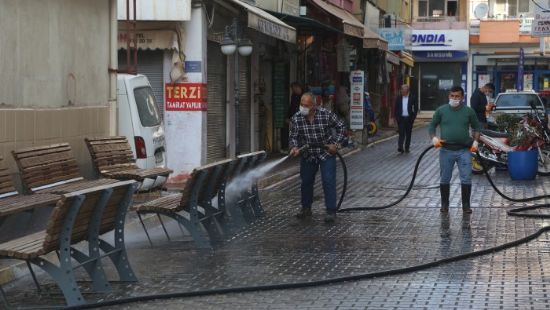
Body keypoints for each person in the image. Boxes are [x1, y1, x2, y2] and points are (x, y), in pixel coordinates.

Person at [289, 92, 346, 223]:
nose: (303, 107)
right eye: (301, 105)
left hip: (326, 152)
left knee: (328, 180)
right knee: (306, 181)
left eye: (306, 105)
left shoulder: (326, 114)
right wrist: (294, 147)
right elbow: (293, 137)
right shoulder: (296, 118)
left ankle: (331, 211)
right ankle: (306, 208)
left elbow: (341, 127)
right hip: (308, 153)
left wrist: (335, 145)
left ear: (314, 105)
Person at [429, 86, 481, 214]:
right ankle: (445, 205)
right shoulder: (441, 110)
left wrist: (476, 141)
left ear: (462, 97)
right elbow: (432, 126)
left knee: (466, 178)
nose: (454, 98)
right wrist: (434, 138)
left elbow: (477, 128)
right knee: (445, 178)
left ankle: (466, 206)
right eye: (452, 96)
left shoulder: (469, 111)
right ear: (448, 96)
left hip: (464, 150)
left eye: (457, 96)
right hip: (446, 150)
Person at [394, 84, 418, 153]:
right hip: (401, 119)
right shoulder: (398, 98)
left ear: (407, 91)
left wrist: (413, 118)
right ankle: (400, 147)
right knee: (401, 133)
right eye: (401, 90)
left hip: (409, 119)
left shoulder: (413, 98)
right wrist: (397, 118)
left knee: (408, 134)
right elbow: (396, 109)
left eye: (403, 91)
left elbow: (415, 109)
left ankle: (407, 147)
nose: (402, 92)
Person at [283, 82, 303, 151]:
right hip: (295, 117)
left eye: (294, 89)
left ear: (298, 87)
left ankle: (301, 147)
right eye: (292, 89)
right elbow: (291, 106)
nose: (293, 90)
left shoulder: (305, 95)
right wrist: (288, 117)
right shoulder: (294, 95)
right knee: (294, 132)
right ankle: (295, 148)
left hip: (303, 117)